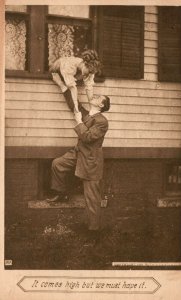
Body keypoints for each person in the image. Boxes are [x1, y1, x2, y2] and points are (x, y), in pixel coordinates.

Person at [47, 78, 110, 238]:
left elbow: (88, 138)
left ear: (101, 105)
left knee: (91, 197)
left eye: (98, 98)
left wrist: (78, 122)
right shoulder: (88, 115)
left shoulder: (102, 122)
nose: (94, 97)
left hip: (90, 160)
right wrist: (63, 86)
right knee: (57, 164)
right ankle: (62, 193)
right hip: (77, 153)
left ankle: (93, 230)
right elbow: (73, 105)